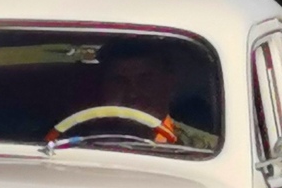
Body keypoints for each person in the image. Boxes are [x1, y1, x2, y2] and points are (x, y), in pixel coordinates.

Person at [71, 38, 216, 148]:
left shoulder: (206, 149)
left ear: (169, 82)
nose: (133, 92)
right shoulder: (76, 143)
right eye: (119, 81)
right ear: (104, 87)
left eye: (146, 80)